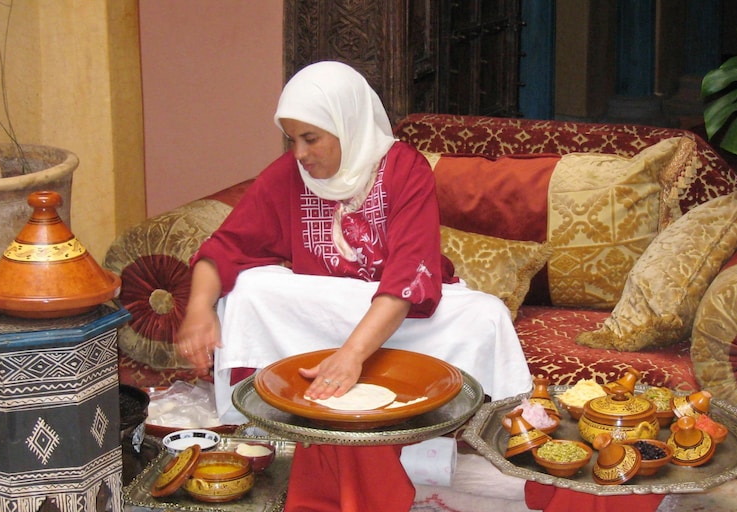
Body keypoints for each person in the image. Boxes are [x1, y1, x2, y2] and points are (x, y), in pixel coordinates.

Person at [175, 61, 531, 423]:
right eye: (292, 140)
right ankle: (266, 416)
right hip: (328, 311)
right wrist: (199, 309)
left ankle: (491, 425)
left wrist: (352, 354)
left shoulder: (405, 168)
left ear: (348, 126)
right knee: (248, 288)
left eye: (311, 139)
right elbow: (223, 249)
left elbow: (409, 275)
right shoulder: (289, 175)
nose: (299, 154)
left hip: (399, 313)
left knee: (487, 316)